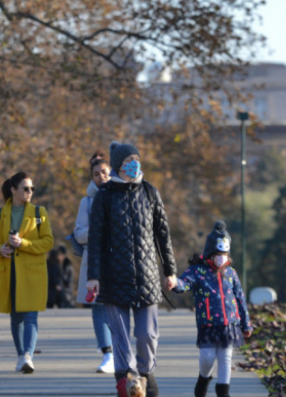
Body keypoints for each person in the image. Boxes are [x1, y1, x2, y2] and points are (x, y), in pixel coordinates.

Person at [87, 141, 177, 397]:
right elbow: (95, 240)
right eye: (128, 161)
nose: (133, 164)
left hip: (146, 276)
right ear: (118, 166)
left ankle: (146, 373)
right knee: (121, 336)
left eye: (136, 159)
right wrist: (93, 277)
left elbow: (163, 235)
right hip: (113, 276)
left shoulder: (150, 192)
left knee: (147, 333)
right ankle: (126, 382)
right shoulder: (104, 196)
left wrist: (170, 271)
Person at [172, 221, 252, 397]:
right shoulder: (198, 271)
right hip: (208, 325)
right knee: (207, 357)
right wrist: (174, 283)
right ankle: (203, 378)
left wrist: (246, 325)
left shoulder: (231, 273)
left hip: (229, 324)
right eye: (218, 253)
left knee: (225, 358)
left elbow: (240, 299)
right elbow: (184, 284)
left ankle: (223, 392)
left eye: (224, 254)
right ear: (210, 253)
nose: (221, 257)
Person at [0, 172, 54, 374]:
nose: (29, 192)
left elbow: (48, 242)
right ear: (13, 190)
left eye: (32, 188)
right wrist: (0, 250)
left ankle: (27, 356)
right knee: (16, 317)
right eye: (25, 188)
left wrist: (23, 244)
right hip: (10, 271)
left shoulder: (39, 213)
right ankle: (20, 355)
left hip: (33, 272)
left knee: (31, 315)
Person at [73, 152, 115, 373]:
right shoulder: (87, 202)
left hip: (118, 260)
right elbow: (79, 234)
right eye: (96, 174)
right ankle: (107, 353)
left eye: (105, 172)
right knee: (98, 307)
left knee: (117, 307)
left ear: (112, 173)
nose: (101, 177)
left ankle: (121, 351)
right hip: (95, 260)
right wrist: (98, 231)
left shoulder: (121, 196)